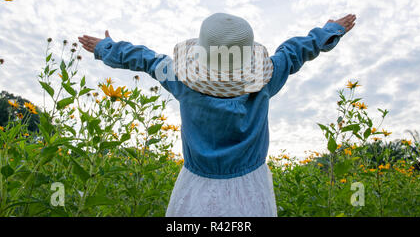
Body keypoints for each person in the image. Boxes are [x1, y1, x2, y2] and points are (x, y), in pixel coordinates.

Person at [78, 12, 356, 216]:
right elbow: (295, 51)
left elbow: (145, 59)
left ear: (201, 53)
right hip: (252, 190)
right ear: (247, 57)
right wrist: (330, 30)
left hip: (195, 189)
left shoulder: (181, 79)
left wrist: (107, 48)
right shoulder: (265, 80)